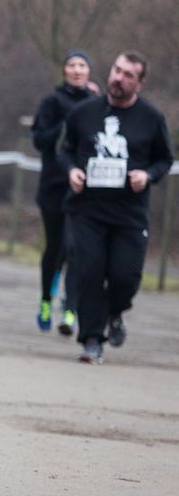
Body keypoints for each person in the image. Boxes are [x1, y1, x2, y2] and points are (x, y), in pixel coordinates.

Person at [58, 51, 172, 365]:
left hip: (129, 213)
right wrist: (72, 171)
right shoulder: (83, 113)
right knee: (90, 272)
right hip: (87, 210)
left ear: (139, 83)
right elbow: (64, 151)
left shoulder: (151, 118)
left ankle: (116, 311)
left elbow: (165, 159)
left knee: (126, 276)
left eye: (128, 75)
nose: (118, 78)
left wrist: (147, 175)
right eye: (116, 70)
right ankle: (92, 340)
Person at [30, 49, 94, 335]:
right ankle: (46, 299)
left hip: (85, 189)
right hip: (54, 188)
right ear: (65, 70)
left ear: (89, 72)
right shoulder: (52, 101)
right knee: (55, 248)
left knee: (75, 248)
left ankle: (70, 310)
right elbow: (40, 140)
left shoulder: (96, 103)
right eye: (72, 65)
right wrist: (65, 124)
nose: (78, 69)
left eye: (82, 65)